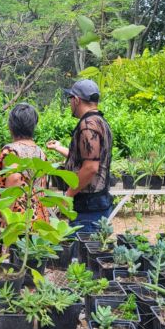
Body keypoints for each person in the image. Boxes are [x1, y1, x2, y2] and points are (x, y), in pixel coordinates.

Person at [47, 79, 113, 234]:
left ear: (76, 100)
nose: (70, 103)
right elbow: (88, 158)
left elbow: (90, 167)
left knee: (83, 247)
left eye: (70, 99)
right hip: (97, 201)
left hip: (88, 205)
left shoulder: (88, 125)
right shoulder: (100, 121)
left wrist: (68, 195)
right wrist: (59, 148)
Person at [0, 103, 49, 241]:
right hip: (37, 217)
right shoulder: (40, 152)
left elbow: (15, 180)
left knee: (12, 252)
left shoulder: (11, 151)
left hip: (17, 218)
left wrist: (6, 220)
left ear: (11, 126)